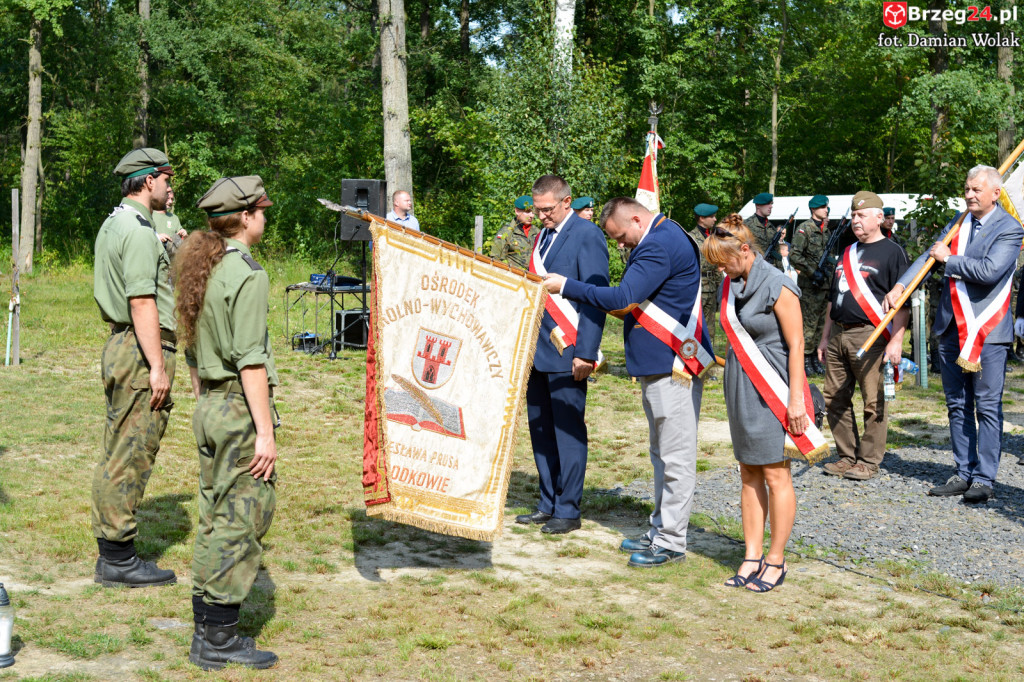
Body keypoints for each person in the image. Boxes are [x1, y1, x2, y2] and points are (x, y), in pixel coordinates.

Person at [543, 197, 713, 567]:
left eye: (621, 236)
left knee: (675, 458)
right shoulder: (663, 235)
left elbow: (623, 297)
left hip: (672, 365)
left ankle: (671, 542)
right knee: (662, 455)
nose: (621, 245)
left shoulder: (658, 244)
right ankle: (660, 531)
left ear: (636, 219)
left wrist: (566, 285)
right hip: (662, 363)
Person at [175, 176, 280, 670]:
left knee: (214, 515)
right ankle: (219, 635)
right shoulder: (246, 274)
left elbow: (192, 348)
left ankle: (205, 626)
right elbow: (251, 361)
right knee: (242, 518)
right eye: (261, 210)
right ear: (245, 217)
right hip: (237, 408)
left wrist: (206, 403)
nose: (265, 217)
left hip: (211, 406)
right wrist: (265, 433)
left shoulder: (205, 266)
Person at [886, 166, 1024, 502]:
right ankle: (963, 471)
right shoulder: (959, 222)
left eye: (977, 189)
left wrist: (950, 260)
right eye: (966, 189)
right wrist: (903, 284)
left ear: (996, 193)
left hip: (988, 332)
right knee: (956, 404)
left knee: (987, 407)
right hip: (950, 329)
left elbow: (989, 271)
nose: (969, 195)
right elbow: (929, 255)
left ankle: (984, 479)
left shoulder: (1010, 228)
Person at [701, 214, 821, 592]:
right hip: (740, 385)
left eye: (724, 262)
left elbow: (797, 345)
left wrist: (796, 401)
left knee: (774, 473)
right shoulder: (730, 283)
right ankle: (751, 555)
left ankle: (776, 560)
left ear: (745, 250)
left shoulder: (778, 284)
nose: (720, 270)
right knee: (748, 472)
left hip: (774, 388)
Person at [91, 148, 178, 588]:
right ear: (148, 181)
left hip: (120, 344)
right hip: (140, 348)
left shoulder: (114, 223)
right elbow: (142, 301)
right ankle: (118, 558)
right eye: (166, 178)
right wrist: (157, 366)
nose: (169, 187)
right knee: (132, 452)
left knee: (117, 448)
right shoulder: (140, 232)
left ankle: (112, 551)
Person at [515, 175, 608, 535]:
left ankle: (568, 509)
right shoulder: (542, 236)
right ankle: (548, 503)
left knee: (567, 432)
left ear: (567, 202)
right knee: (540, 430)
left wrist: (586, 352)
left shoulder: (588, 235)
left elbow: (596, 298)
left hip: (568, 351)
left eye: (547, 209)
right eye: (537, 210)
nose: (541, 216)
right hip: (536, 351)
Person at [817, 192, 909, 481]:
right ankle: (847, 456)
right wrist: (824, 338)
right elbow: (833, 298)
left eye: (862, 215)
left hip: (871, 334)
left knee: (873, 401)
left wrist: (896, 340)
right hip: (838, 333)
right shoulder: (846, 252)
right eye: (854, 215)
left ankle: (868, 461)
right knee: (834, 398)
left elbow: (903, 303)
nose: (856, 220)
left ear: (879, 218)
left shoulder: (893, 252)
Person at [789, 195, 831, 377]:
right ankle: (804, 359)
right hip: (810, 286)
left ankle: (815, 358)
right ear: (813, 209)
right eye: (822, 207)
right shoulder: (804, 229)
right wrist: (812, 272)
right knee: (808, 325)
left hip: (824, 286)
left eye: (826, 207)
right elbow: (794, 256)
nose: (826, 210)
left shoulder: (826, 231)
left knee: (821, 325)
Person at [687, 203, 722, 336]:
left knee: (710, 329)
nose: (715, 219)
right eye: (711, 216)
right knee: (695, 326)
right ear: (702, 218)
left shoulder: (713, 237)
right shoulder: (690, 238)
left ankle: (709, 349)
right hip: (698, 287)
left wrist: (720, 286)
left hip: (711, 287)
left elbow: (717, 264)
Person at [490, 195, 535, 270]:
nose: (531, 215)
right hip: (513, 274)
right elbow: (496, 260)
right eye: (527, 211)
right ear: (517, 211)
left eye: (533, 212)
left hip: (534, 276)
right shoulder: (506, 232)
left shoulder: (538, 232)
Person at [152, 186, 188, 261]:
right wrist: (157, 237)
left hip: (171, 261)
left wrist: (185, 235)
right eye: (168, 198)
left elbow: (182, 242)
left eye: (172, 199)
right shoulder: (149, 214)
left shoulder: (174, 218)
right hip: (153, 258)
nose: (170, 202)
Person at [744, 192, 780, 267]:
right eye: (768, 203)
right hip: (753, 268)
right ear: (758, 205)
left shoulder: (771, 227)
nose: (771, 206)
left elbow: (777, 251)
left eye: (771, 204)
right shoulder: (746, 225)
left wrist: (780, 270)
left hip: (771, 269)